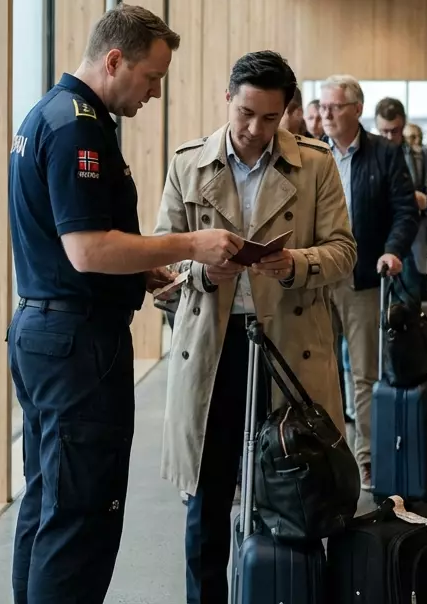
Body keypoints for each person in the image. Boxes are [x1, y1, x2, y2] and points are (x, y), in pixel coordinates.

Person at [7, 4, 242, 604]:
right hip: (77, 348)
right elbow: (87, 249)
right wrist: (193, 242)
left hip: (48, 333)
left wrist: (141, 273)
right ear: (114, 61)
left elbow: (69, 245)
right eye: (151, 77)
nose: (155, 93)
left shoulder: (47, 115)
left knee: (48, 505)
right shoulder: (78, 127)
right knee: (80, 517)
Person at [154, 51, 356, 604]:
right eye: (246, 113)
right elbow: (158, 265)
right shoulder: (187, 163)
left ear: (287, 111)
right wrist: (199, 266)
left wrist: (296, 264)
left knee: (295, 494)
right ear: (227, 99)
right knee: (207, 499)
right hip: (213, 351)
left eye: (270, 118)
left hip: (289, 352)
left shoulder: (316, 165)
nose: (255, 130)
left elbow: (344, 252)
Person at [319, 74, 418, 489]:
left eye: (334, 107)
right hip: (317, 280)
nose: (325, 114)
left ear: (357, 109)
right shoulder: (310, 154)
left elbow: (405, 211)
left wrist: (393, 250)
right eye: (322, 107)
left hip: (362, 280)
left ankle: (365, 459)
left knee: (363, 375)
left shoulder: (386, 154)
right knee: (321, 374)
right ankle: (326, 458)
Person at [374, 97, 427, 305]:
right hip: (377, 243)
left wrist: (419, 200)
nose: (389, 137)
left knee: (409, 308)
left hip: (413, 243)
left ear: (403, 124)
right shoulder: (368, 156)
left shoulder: (421, 156)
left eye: (394, 131)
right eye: (383, 131)